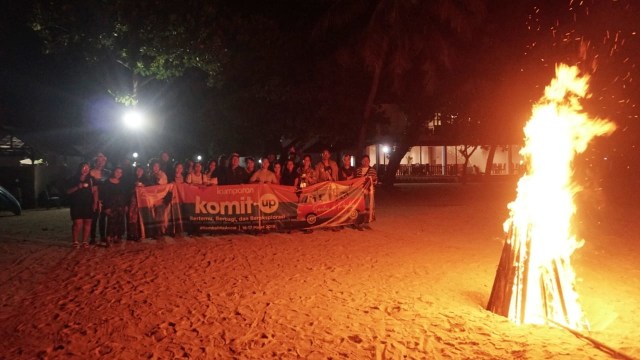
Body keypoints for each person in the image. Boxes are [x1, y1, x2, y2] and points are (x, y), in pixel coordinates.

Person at [66, 162, 98, 248]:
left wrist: (95, 203)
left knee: (88, 222)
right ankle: (75, 241)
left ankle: (84, 241)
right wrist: (77, 187)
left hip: (88, 203)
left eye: (87, 167)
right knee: (77, 223)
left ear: (89, 169)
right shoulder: (73, 179)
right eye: (83, 167)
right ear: (80, 168)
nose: (85, 169)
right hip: (76, 204)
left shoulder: (92, 179)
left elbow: (95, 191)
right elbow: (68, 191)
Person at [101, 167, 127, 246]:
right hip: (110, 204)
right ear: (113, 172)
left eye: (120, 172)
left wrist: (125, 205)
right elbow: (104, 195)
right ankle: (108, 238)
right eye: (117, 171)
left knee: (119, 221)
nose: (118, 173)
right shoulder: (107, 182)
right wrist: (106, 207)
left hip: (120, 204)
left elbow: (124, 195)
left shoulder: (122, 182)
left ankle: (116, 237)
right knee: (111, 222)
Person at [90, 152, 111, 244]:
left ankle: (103, 236)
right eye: (98, 160)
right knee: (93, 218)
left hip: (104, 198)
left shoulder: (108, 173)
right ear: (95, 161)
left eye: (102, 160)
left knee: (103, 218)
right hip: (92, 198)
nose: (100, 162)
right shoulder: (90, 172)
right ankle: (93, 238)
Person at [127, 165, 148, 241]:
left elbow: (150, 190)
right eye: (137, 170)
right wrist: (134, 188)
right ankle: (132, 234)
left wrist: (143, 187)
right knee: (132, 217)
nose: (139, 172)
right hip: (133, 201)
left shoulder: (146, 180)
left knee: (140, 218)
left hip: (142, 202)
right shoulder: (131, 180)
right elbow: (128, 190)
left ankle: (140, 234)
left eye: (141, 170)